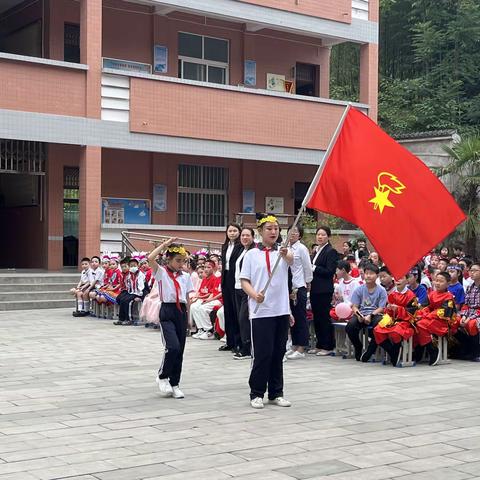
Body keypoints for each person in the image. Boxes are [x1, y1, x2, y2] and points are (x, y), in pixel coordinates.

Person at [240, 213, 293, 409]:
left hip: (281, 310)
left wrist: (285, 252)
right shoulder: (251, 255)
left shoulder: (283, 252)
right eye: (269, 229)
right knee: (262, 352)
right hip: (261, 311)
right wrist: (254, 295)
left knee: (279, 352)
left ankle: (276, 392)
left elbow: (291, 259)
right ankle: (256, 392)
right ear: (260, 232)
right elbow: (244, 280)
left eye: (276, 229)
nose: (273, 232)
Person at [148, 238, 194, 399]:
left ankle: (175, 383)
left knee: (180, 350)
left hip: (180, 311)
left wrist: (189, 318)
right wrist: (164, 245)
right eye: (178, 261)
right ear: (169, 259)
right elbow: (150, 258)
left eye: (183, 261)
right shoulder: (161, 272)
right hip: (167, 310)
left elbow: (187, 297)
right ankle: (162, 376)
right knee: (172, 347)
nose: (181, 264)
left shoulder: (186, 276)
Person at [373, 276, 419, 366]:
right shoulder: (392, 294)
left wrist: (398, 309)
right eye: (397, 278)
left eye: (401, 278)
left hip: (406, 321)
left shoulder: (411, 295)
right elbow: (388, 312)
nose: (398, 280)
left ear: (407, 281)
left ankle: (396, 350)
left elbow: (412, 314)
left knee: (395, 332)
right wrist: (389, 309)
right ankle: (392, 351)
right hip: (393, 319)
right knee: (377, 330)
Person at [415, 272, 459, 366]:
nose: (437, 283)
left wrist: (427, 315)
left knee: (421, 324)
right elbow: (424, 306)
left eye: (441, 281)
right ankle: (420, 349)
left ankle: (432, 349)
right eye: (436, 280)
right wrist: (424, 313)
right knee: (416, 322)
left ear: (447, 284)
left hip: (443, 321)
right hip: (430, 318)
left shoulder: (448, 296)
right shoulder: (431, 294)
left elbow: (444, 312)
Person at [346, 264, 387, 362]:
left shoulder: (381, 290)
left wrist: (371, 315)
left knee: (378, 326)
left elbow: (381, 307)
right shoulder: (359, 289)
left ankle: (370, 350)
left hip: (375, 314)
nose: (368, 276)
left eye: (371, 274)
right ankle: (358, 346)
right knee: (350, 326)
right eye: (366, 273)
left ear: (377, 276)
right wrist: (359, 315)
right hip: (361, 314)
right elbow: (354, 306)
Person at [309, 226, 338, 356]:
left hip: (324, 289)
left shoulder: (330, 251)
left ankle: (328, 345)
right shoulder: (317, 250)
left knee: (324, 317)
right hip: (315, 288)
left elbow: (329, 271)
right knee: (317, 317)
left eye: (323, 235)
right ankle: (319, 344)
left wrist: (314, 268)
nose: (320, 237)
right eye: (318, 234)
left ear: (328, 237)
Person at [285, 224, 313, 360]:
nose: (293, 233)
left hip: (298, 285)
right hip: (288, 286)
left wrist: (308, 282)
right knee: (292, 318)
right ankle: (295, 345)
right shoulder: (285, 248)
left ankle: (302, 347)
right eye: (290, 231)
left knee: (300, 316)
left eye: (295, 231)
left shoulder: (301, 249)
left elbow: (307, 267)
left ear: (300, 235)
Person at [220, 223, 243, 353]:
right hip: (226, 278)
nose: (232, 233)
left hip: (236, 279)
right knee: (228, 311)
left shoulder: (240, 247)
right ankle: (230, 341)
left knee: (236, 311)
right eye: (230, 231)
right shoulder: (225, 246)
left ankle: (238, 342)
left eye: (235, 231)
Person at [233, 227, 256, 359]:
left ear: (253, 237)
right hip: (237, 288)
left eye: (247, 235)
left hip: (247, 289)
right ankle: (243, 345)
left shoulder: (254, 251)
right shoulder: (242, 250)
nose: (245, 238)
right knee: (240, 318)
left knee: (244, 319)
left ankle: (247, 348)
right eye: (243, 236)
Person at [454, 262, 480, 361]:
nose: (472, 273)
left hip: (477, 314)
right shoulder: (470, 287)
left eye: (475, 270)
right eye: (471, 270)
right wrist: (464, 316)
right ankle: (465, 348)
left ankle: (476, 352)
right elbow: (465, 305)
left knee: (472, 324)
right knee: (454, 321)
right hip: (469, 312)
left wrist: (469, 318)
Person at [190, 261, 222, 339]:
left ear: (214, 268)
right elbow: (203, 291)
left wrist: (207, 300)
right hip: (210, 299)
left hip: (219, 300)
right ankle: (201, 329)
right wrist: (196, 297)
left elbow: (213, 293)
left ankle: (209, 331)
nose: (206, 269)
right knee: (193, 306)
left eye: (208, 267)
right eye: (205, 267)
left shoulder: (215, 278)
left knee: (202, 308)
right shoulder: (205, 279)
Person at [113, 257, 145, 326]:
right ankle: (121, 319)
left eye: (134, 265)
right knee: (122, 299)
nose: (133, 267)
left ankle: (129, 319)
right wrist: (129, 293)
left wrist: (139, 295)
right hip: (132, 292)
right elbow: (129, 285)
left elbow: (141, 286)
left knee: (127, 300)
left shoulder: (140, 274)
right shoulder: (130, 275)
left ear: (138, 265)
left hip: (139, 293)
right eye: (131, 266)